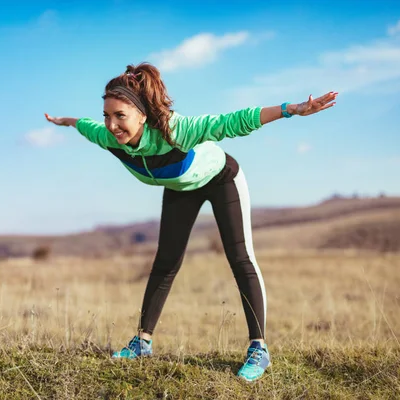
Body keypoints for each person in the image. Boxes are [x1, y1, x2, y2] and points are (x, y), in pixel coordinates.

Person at [45, 62, 337, 382]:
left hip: (221, 178)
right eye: (107, 115)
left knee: (240, 258)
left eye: (120, 116)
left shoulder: (176, 129)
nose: (112, 125)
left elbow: (233, 122)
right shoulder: (108, 137)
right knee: (166, 262)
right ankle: (142, 342)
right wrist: (63, 121)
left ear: (142, 115)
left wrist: (291, 109)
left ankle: (259, 349)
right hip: (180, 188)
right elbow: (82, 123)